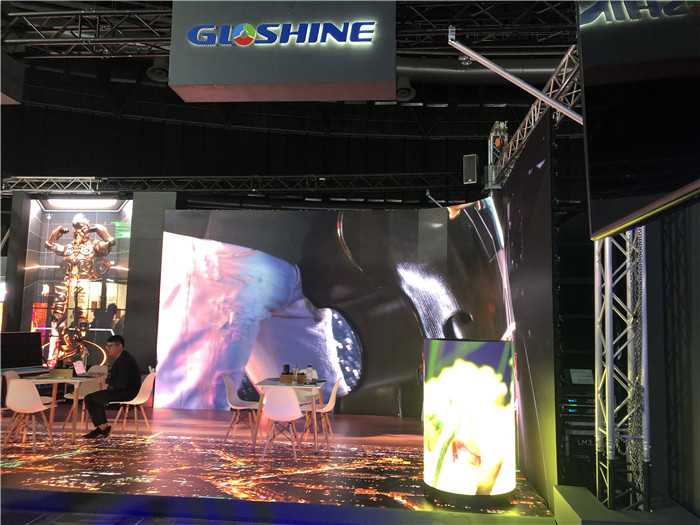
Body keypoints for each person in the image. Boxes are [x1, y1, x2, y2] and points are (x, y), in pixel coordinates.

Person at [83, 335, 141, 439]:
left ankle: (103, 428)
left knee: (90, 398)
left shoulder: (124, 361)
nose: (107, 348)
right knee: (95, 398)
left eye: (110, 346)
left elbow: (121, 383)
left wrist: (106, 380)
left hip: (126, 393)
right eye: (107, 346)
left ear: (119, 346)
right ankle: (102, 427)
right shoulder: (124, 357)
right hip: (126, 391)